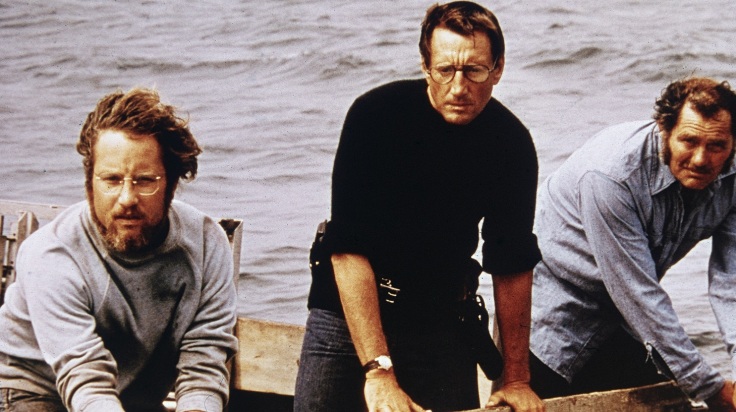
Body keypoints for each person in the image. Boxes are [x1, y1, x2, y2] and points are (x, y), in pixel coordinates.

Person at [294, 2, 544, 411]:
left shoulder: (510, 143)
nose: (458, 87)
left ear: (497, 69)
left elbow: (511, 263)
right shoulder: (374, 117)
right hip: (347, 314)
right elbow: (347, 250)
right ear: (426, 66)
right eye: (445, 70)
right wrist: (379, 373)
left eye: (474, 71)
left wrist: (516, 378)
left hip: (439, 320)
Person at [0, 88, 238, 412]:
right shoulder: (51, 254)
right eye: (111, 180)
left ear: (171, 183)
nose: (127, 199)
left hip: (130, 397)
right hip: (31, 391)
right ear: (89, 183)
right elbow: (85, 379)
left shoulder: (208, 244)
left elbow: (204, 365)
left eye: (145, 180)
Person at [529, 77, 736, 411]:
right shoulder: (611, 176)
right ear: (664, 130)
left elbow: (732, 282)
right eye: (689, 141)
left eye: (717, 146)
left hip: (625, 321)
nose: (701, 159)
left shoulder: (732, 176)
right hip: (552, 318)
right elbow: (638, 292)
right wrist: (709, 387)